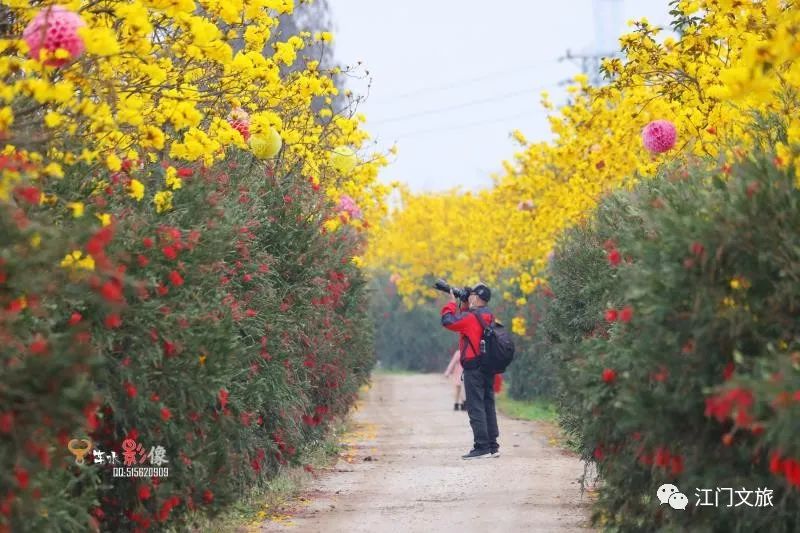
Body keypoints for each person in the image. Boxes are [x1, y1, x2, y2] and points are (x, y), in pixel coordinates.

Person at [440, 283, 500, 460]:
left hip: (474, 368)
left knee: (475, 407)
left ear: (476, 297)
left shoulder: (471, 318)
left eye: (471, 295)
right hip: (488, 367)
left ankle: (481, 447)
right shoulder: (489, 315)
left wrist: (452, 303)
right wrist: (465, 304)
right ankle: (492, 446)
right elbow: (471, 323)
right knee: (488, 405)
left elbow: (448, 321)